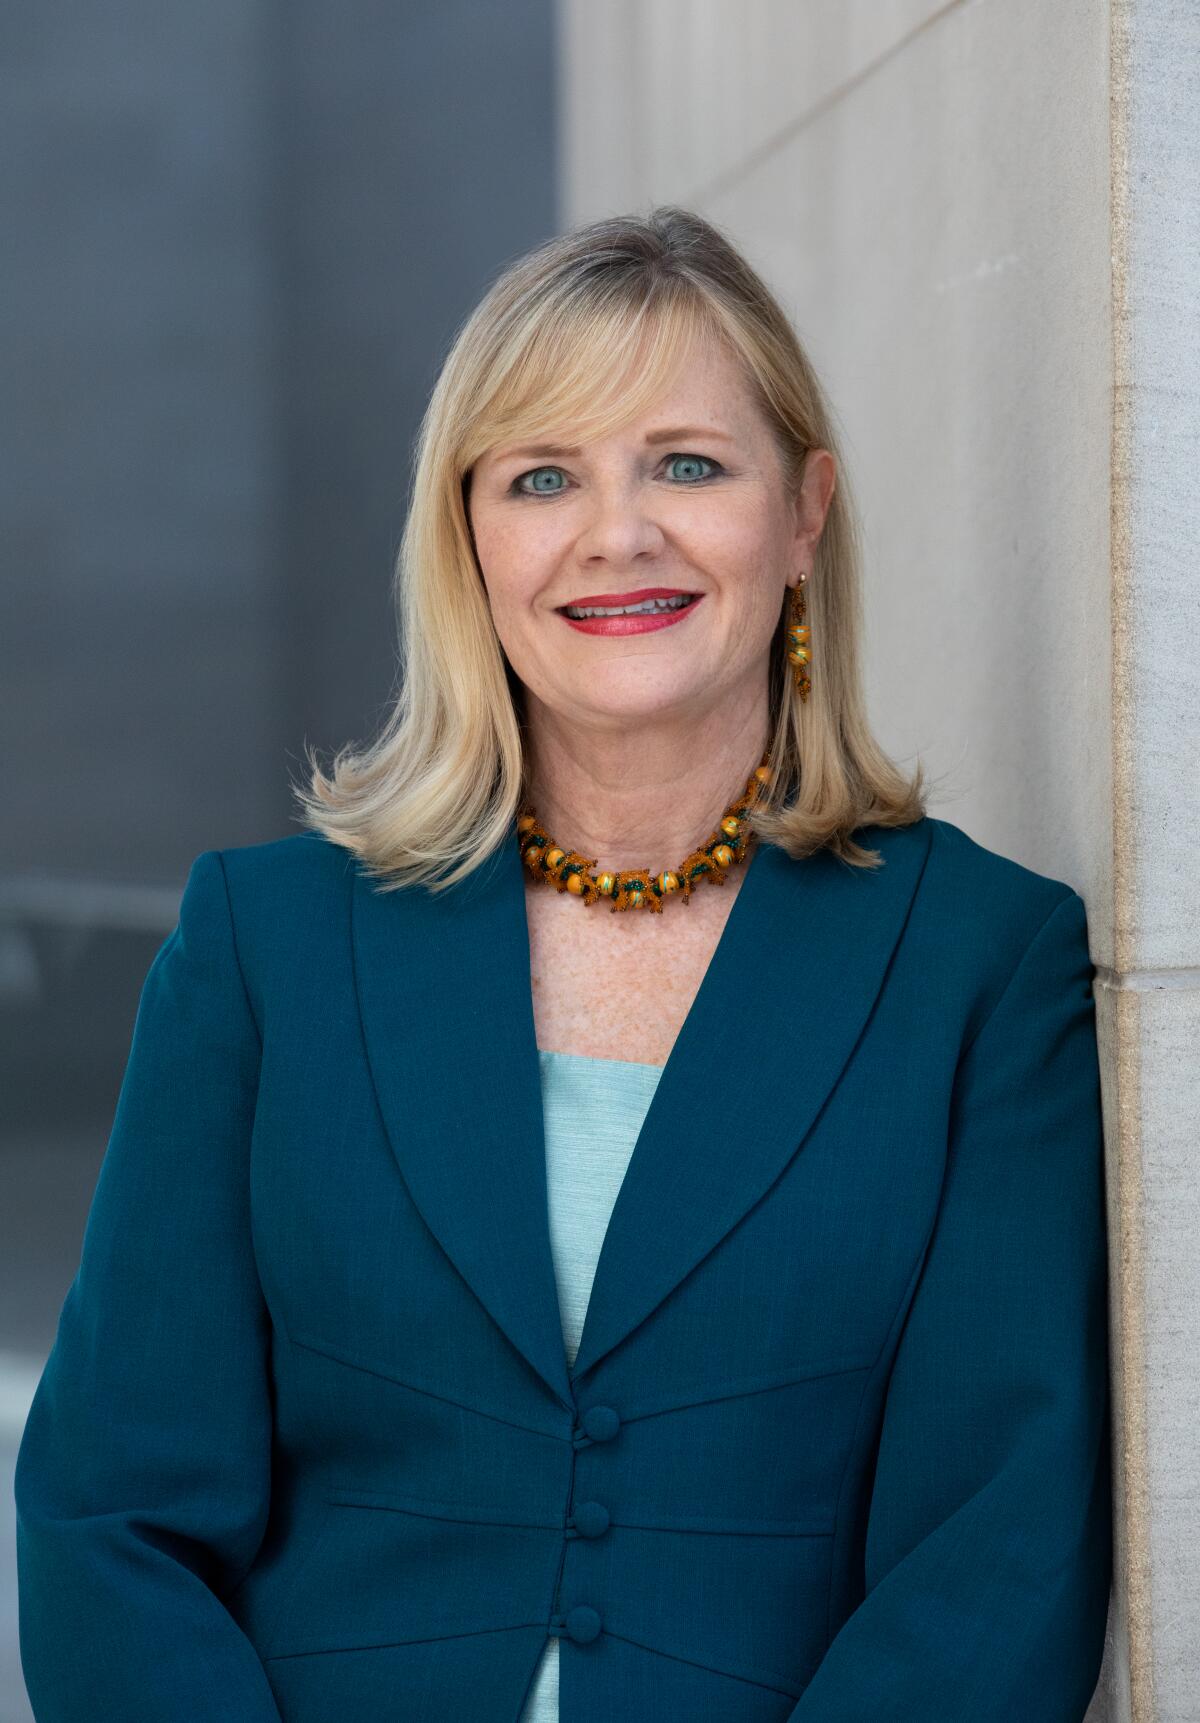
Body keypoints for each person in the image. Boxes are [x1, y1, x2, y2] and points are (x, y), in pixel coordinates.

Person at [15, 206, 1112, 1721]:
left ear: (804, 514)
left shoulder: (982, 965)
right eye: (544, 476)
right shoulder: (267, 948)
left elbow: (996, 1558)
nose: (620, 532)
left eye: (687, 463)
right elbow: (108, 1513)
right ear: (470, 537)